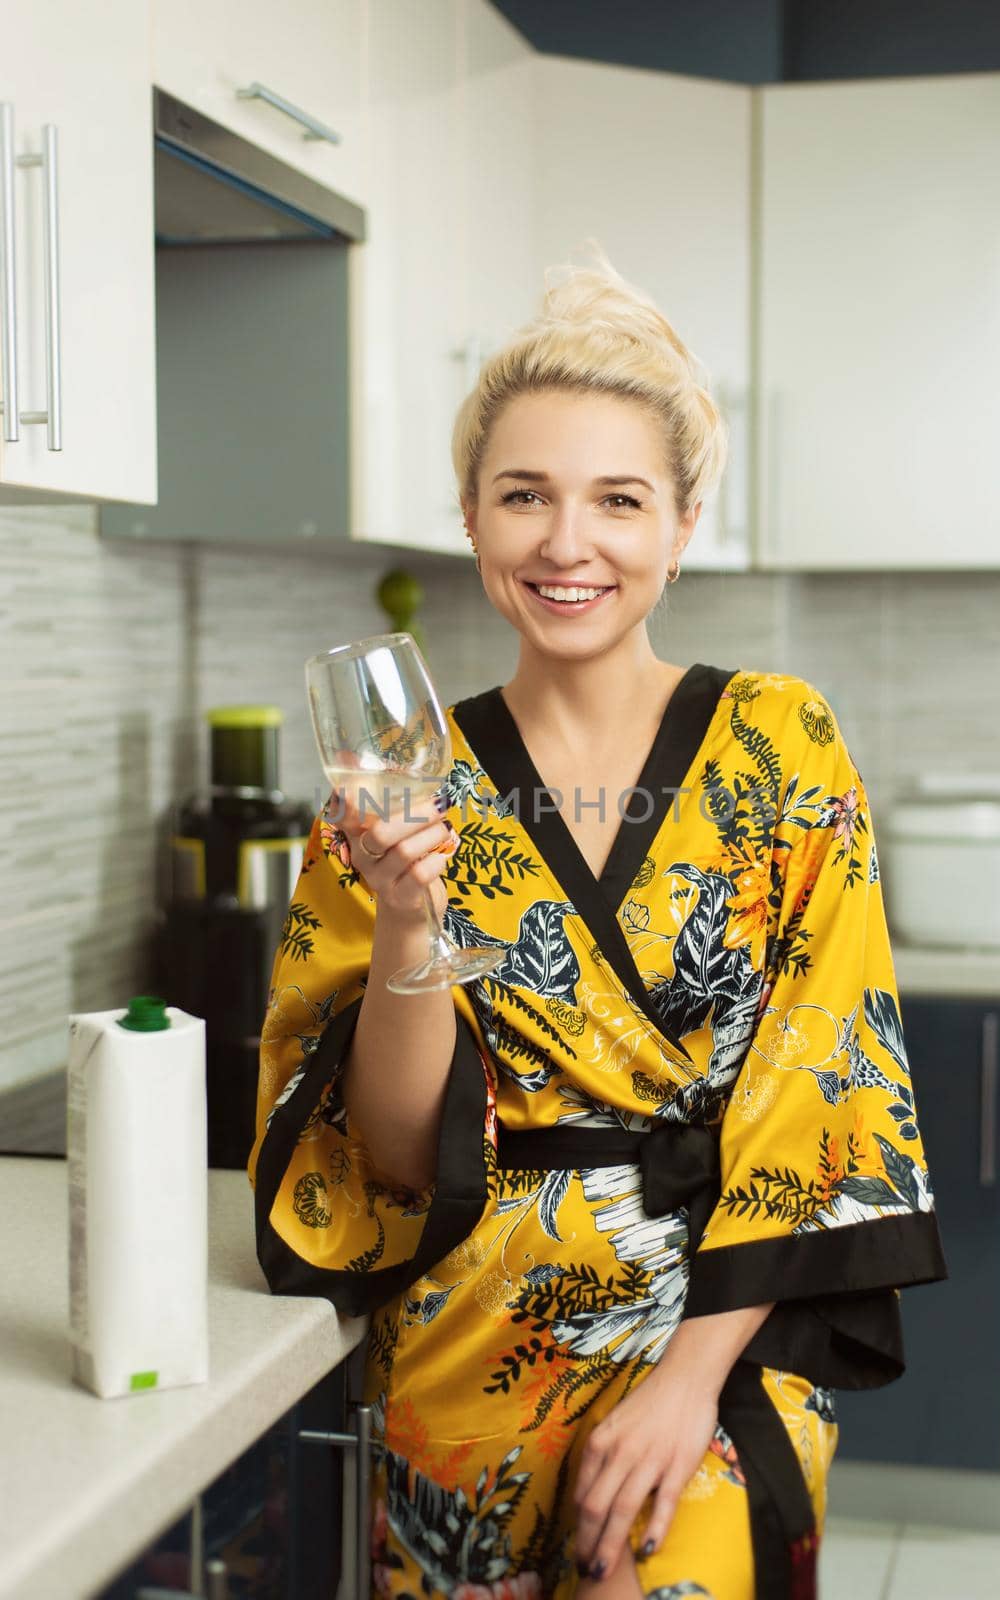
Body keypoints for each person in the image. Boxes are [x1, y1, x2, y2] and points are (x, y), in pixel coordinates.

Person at [248, 250, 947, 1600]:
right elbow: (389, 1156)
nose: (566, 544)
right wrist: (405, 929)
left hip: (715, 1351)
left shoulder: (779, 741)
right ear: (469, 516)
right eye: (524, 497)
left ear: (681, 524)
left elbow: (826, 1090)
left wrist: (689, 1386)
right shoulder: (399, 780)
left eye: (616, 501)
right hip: (465, 1367)